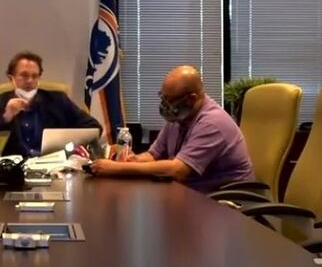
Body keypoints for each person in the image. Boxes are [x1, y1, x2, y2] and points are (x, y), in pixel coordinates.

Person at [91, 65, 253, 193]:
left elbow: (178, 170)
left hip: (227, 203)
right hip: (196, 195)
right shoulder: (179, 117)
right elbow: (153, 155)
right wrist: (133, 160)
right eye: (163, 99)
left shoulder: (212, 123)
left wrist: (118, 169)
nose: (164, 107)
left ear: (191, 99)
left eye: (170, 101)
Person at [0, 51, 102, 157]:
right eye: (24, 75)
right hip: (14, 170)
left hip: (53, 165)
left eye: (35, 76)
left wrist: (68, 142)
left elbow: (93, 127)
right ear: (11, 78)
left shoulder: (58, 100)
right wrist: (7, 116)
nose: (30, 81)